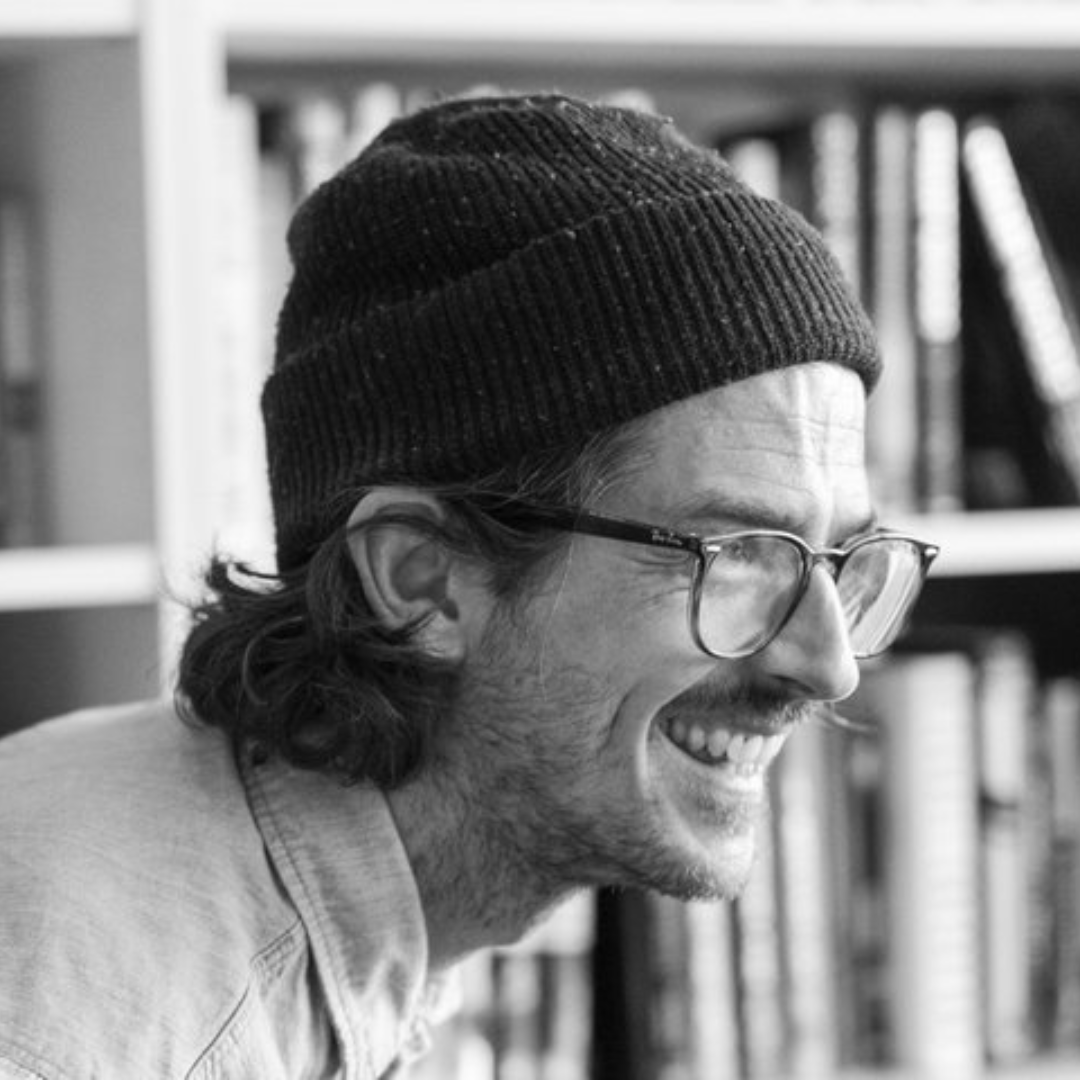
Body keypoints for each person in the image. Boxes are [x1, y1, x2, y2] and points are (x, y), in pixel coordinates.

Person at [0, 92, 937, 1079]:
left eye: (841, 558)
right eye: (739, 552)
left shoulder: (330, 915)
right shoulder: (117, 1028)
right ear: (422, 580)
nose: (830, 663)